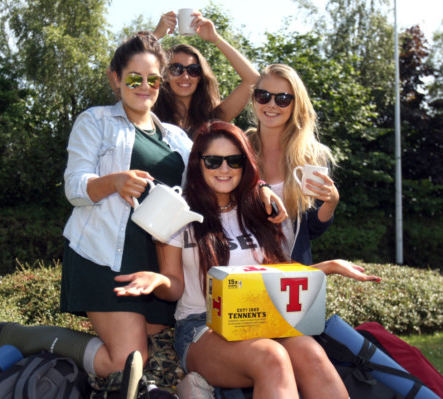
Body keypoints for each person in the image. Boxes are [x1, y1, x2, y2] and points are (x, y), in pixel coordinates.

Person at [0, 32, 192, 398]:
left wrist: (257, 189)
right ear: (115, 77)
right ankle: (34, 338)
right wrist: (114, 181)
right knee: (125, 361)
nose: (144, 86)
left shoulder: (178, 138)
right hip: (103, 256)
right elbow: (75, 186)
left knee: (145, 363)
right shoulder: (96, 121)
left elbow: (213, 182)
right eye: (134, 77)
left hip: (159, 267)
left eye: (153, 79)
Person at [113, 120, 351, 399]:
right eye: (213, 161)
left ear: (245, 164)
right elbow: (175, 285)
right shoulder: (177, 212)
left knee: (311, 352)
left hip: (259, 318)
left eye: (233, 161)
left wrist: (326, 267)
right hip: (202, 326)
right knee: (272, 357)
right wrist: (158, 280)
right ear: (198, 164)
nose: (224, 169)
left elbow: (273, 279)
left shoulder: (260, 208)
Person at [246, 64, 380, 282]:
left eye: (282, 99)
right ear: (254, 100)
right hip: (243, 271)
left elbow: (312, 229)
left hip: (292, 277)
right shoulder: (238, 149)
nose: (271, 104)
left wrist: (331, 202)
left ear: (295, 104)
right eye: (263, 96)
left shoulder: (311, 156)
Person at [151, 10, 260, 138]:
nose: (185, 76)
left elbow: (253, 80)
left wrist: (215, 38)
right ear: (165, 75)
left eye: (193, 70)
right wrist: (154, 36)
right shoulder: (150, 114)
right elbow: (125, 76)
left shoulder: (214, 118)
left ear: (200, 77)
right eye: (176, 69)